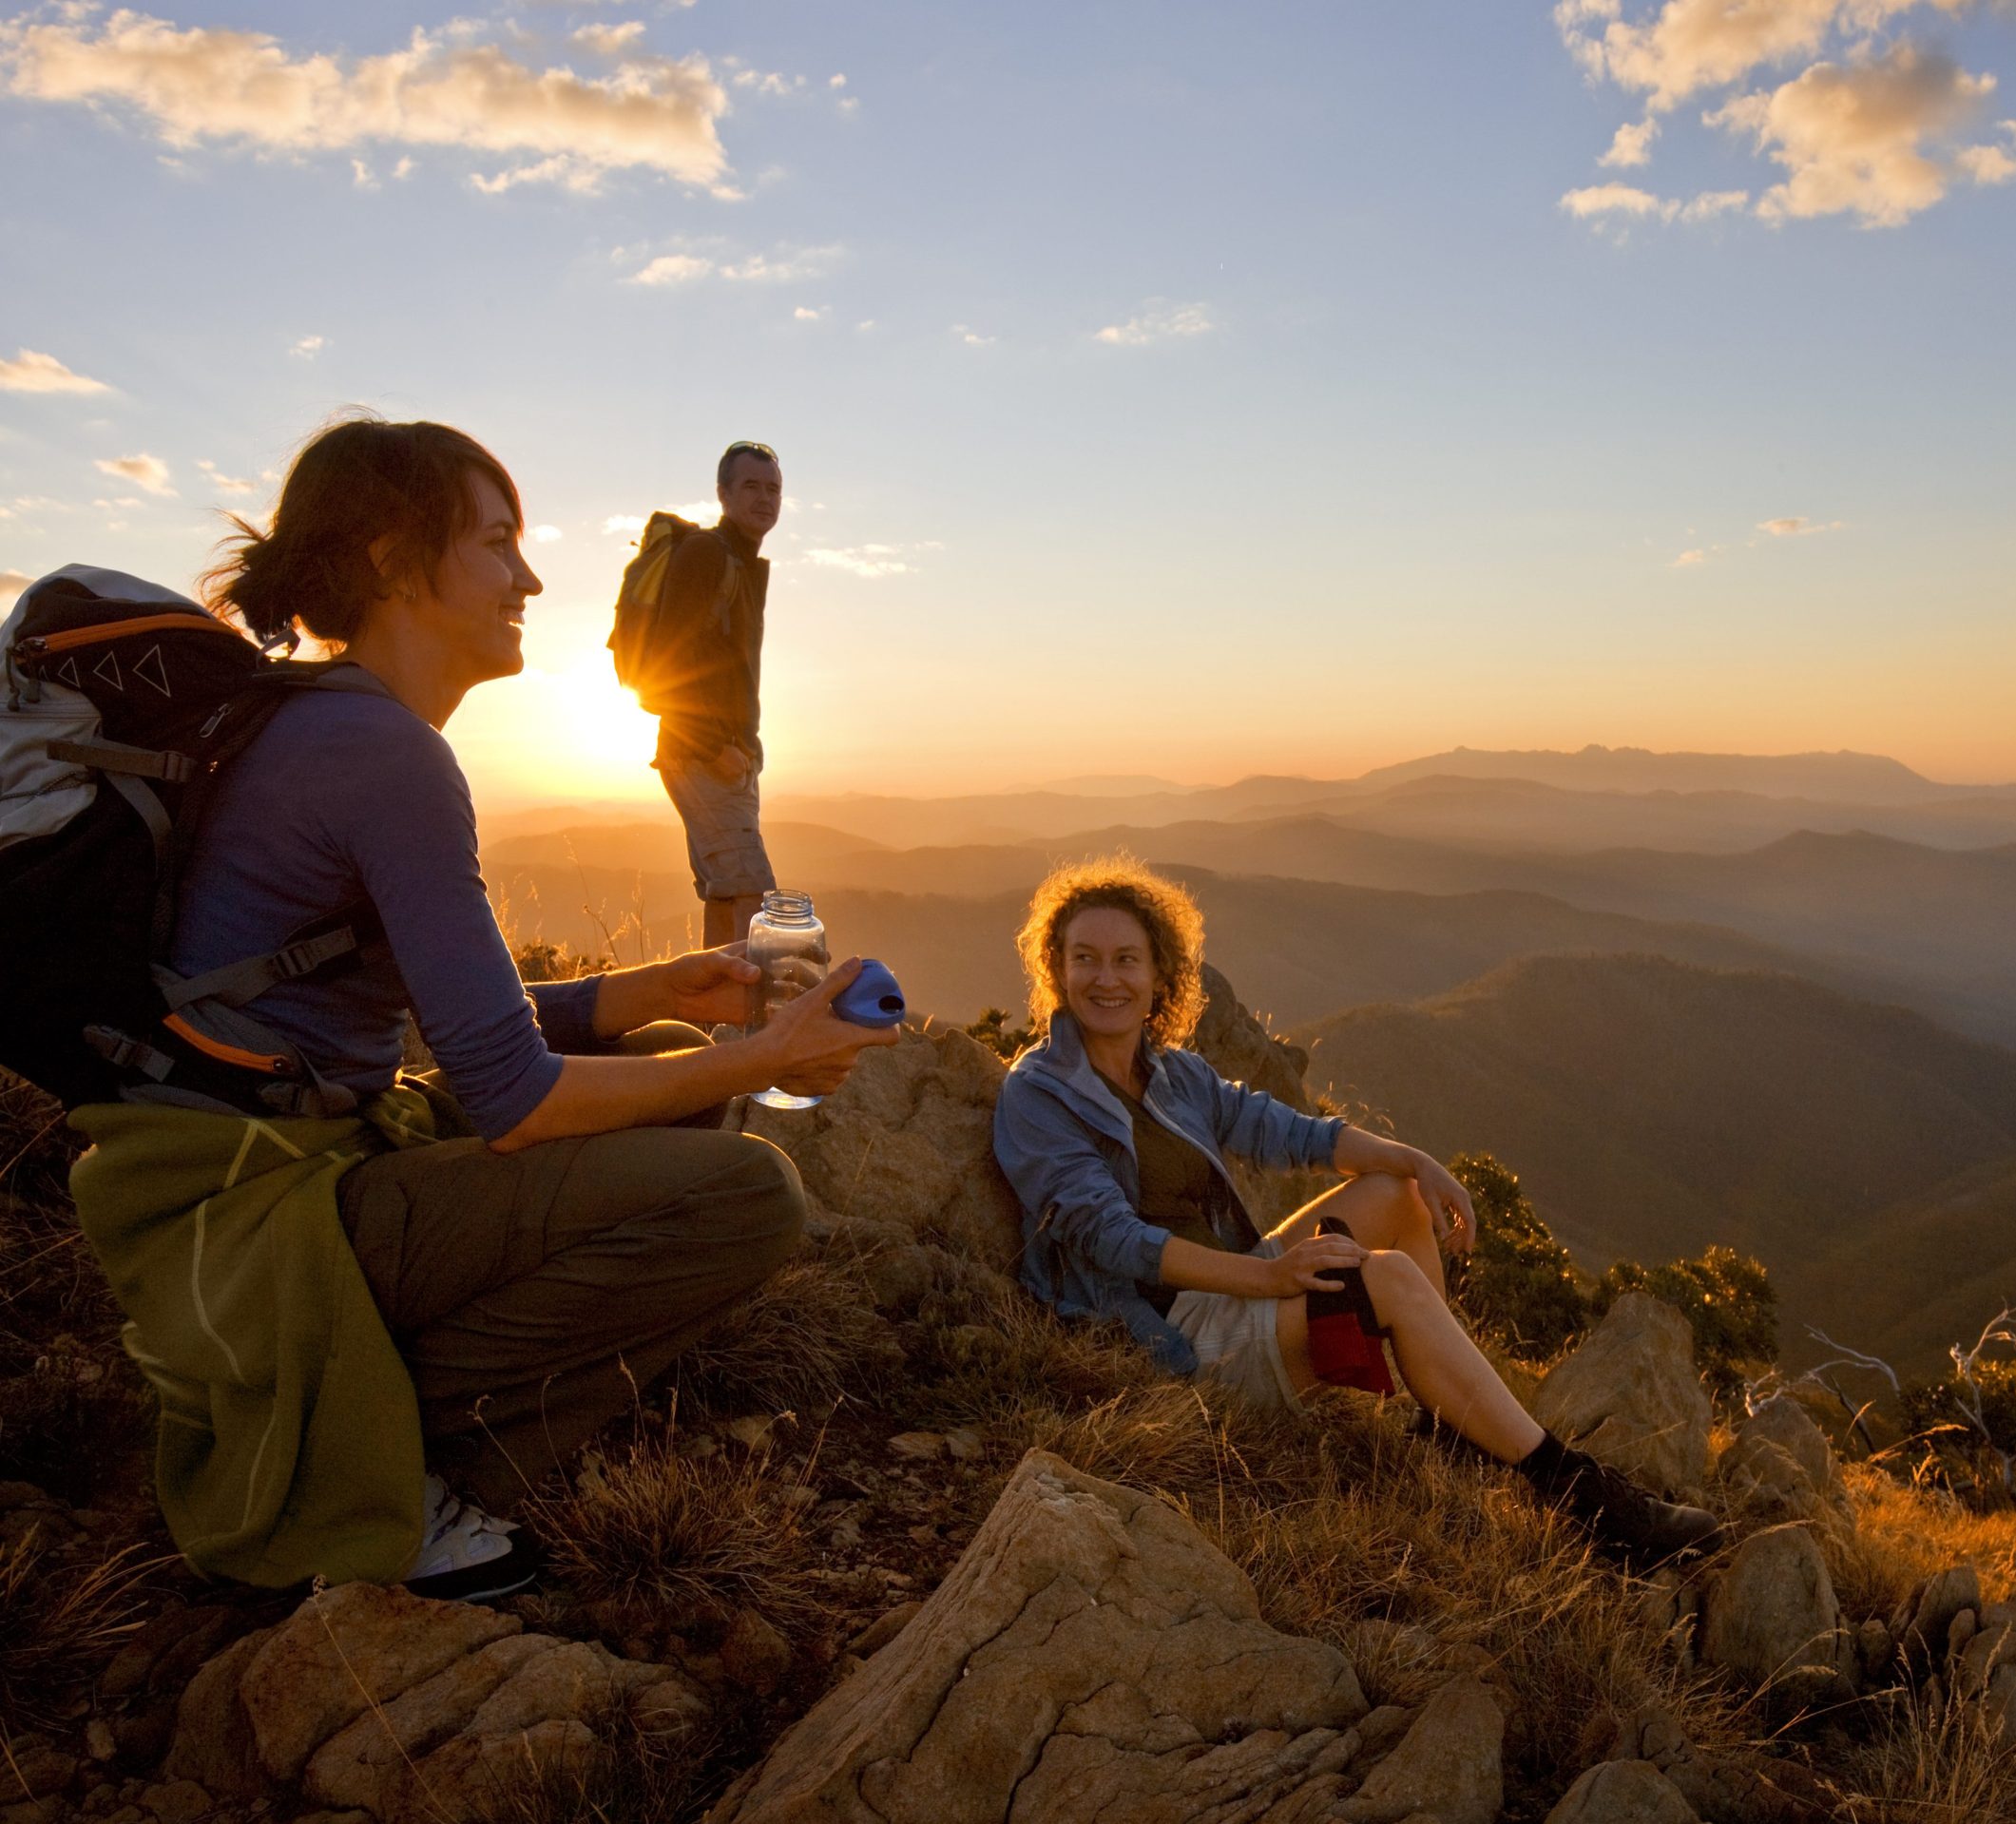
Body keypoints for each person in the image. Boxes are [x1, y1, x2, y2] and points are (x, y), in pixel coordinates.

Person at [80, 416, 896, 1602]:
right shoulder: (383, 753)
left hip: (256, 1164)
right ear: (395, 559)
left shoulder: (318, 723)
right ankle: (402, 1456)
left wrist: (661, 989)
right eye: (500, 541)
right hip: (260, 1205)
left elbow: (463, 1027)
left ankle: (409, 1389)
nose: (531, 575)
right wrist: (764, 1053)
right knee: (750, 1193)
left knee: (665, 1051)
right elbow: (514, 1098)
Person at [990, 857, 1720, 1568]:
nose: (1106, 978)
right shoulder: (1041, 1095)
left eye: (1126, 959)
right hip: (1170, 1332)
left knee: (1393, 1197)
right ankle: (1582, 1497)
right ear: (1057, 969)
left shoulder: (1173, 1074)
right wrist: (1272, 1281)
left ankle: (1454, 1423)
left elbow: (1287, 1132)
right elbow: (1111, 1240)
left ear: (1157, 978)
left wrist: (1414, 1161)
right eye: (1086, 958)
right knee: (1393, 1278)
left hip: (1231, 1287)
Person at [651, 440, 784, 949]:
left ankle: (715, 1019)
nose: (765, 498)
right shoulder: (707, 554)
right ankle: (751, 1020)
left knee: (725, 895)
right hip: (702, 753)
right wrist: (714, 747)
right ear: (723, 493)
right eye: (751, 486)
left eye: (773, 488)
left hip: (724, 754)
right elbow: (666, 660)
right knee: (754, 891)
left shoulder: (742, 563)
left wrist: (743, 749)